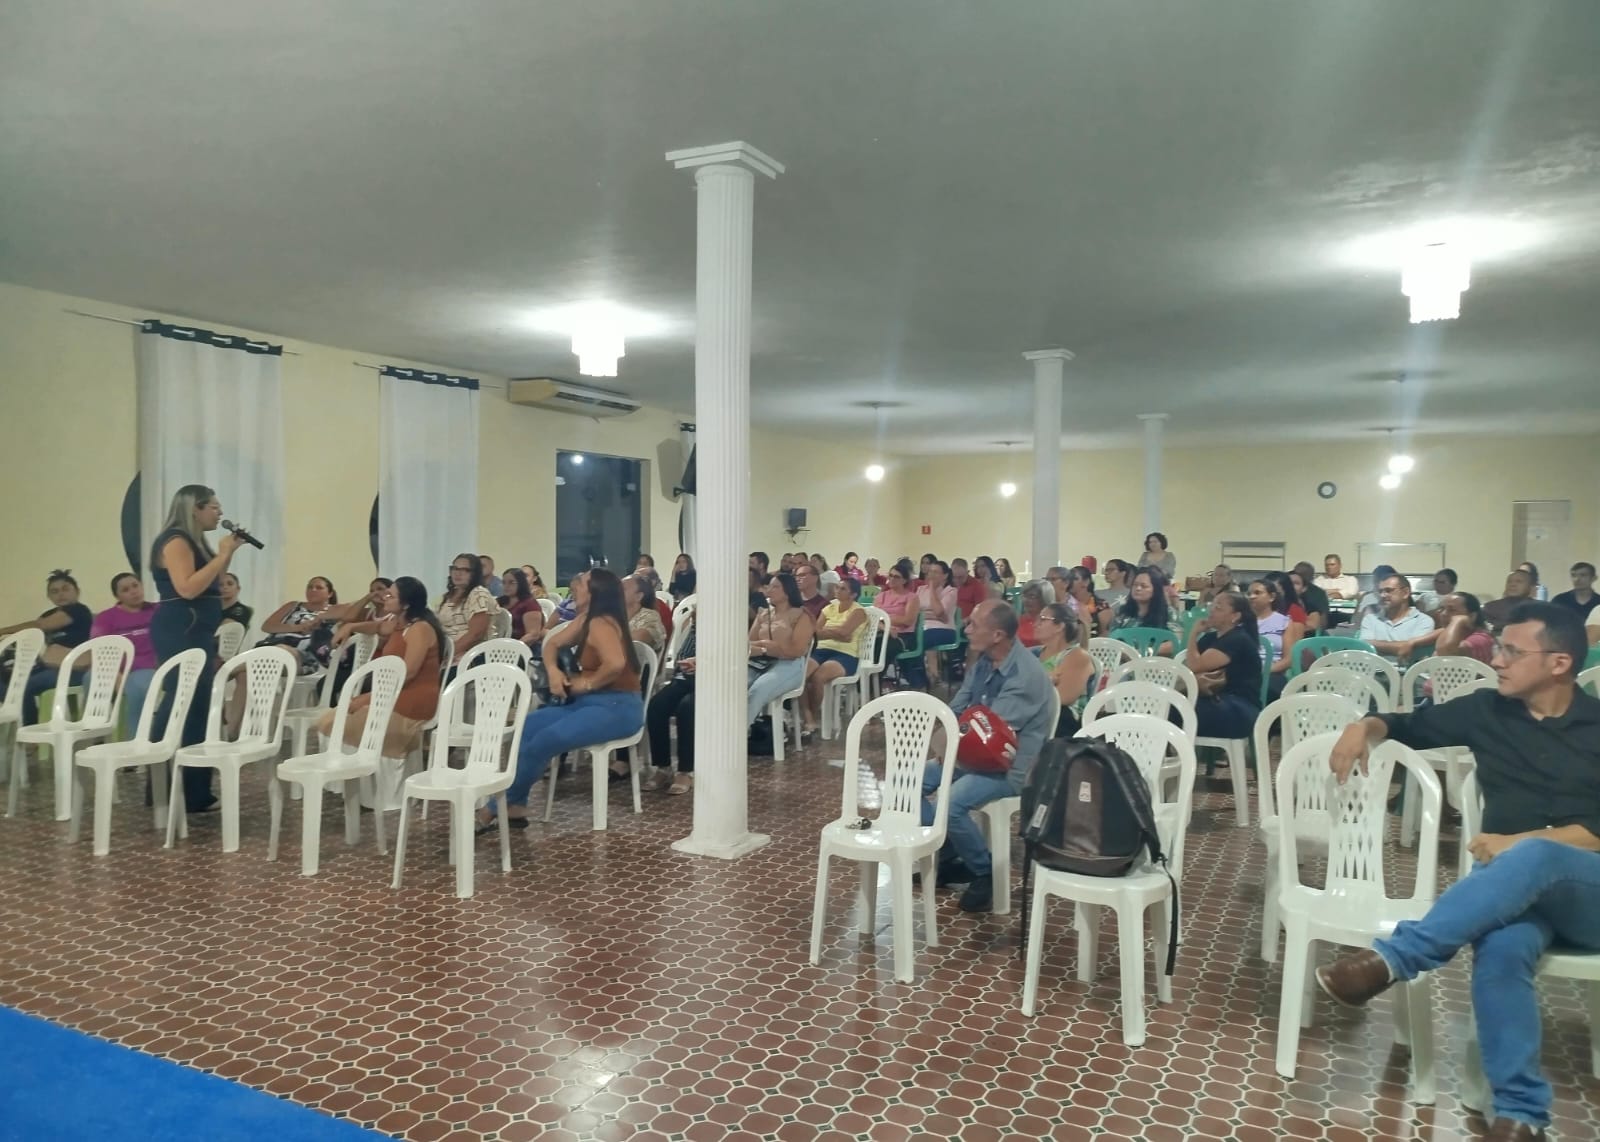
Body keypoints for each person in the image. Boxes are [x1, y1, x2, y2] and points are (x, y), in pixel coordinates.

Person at [1315, 604, 1597, 1141]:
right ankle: (1522, 1114)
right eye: (1499, 647)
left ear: (1559, 662)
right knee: (1501, 948)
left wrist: (1516, 843)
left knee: (1533, 855)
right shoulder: (1487, 711)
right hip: (1518, 896)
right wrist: (1361, 727)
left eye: (1512, 651)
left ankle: (1397, 958)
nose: (1497, 660)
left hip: (1591, 895)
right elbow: (1405, 723)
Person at [922, 600, 1054, 913]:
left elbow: (989, 734)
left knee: (950, 803)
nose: (966, 630)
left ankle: (984, 872)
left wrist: (950, 750)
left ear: (997, 635)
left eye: (974, 625)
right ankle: (951, 854)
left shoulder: (1024, 676)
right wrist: (944, 745)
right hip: (973, 755)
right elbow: (958, 708)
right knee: (908, 780)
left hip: (1011, 767)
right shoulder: (984, 662)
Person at [484, 568, 643, 828]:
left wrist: (588, 683)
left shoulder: (601, 623)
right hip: (589, 703)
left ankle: (494, 807)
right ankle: (516, 806)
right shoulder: (587, 618)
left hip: (617, 707)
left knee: (545, 740)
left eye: (582, 583)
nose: (575, 585)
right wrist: (554, 672)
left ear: (595, 592)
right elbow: (553, 644)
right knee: (528, 727)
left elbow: (615, 664)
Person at [147, 484, 244, 811]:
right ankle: (167, 787)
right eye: (213, 506)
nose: (219, 512)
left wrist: (228, 554)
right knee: (182, 701)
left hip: (196, 630)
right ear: (195, 509)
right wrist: (221, 555)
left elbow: (210, 584)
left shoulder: (194, 540)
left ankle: (193, 791)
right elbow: (187, 589)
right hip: (181, 629)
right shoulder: (176, 540)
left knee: (198, 705)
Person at [319, 577, 444, 758]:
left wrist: (371, 697)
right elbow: (378, 627)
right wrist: (351, 626)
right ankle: (353, 771)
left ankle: (366, 768)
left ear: (406, 605)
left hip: (412, 700)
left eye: (391, 596)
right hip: (393, 694)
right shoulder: (399, 623)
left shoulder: (419, 628)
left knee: (337, 723)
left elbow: (408, 673)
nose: (385, 597)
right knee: (333, 718)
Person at [0, 569, 96, 726]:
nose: (61, 594)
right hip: (50, 667)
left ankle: (30, 729)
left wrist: (3, 630)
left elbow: (40, 626)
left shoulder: (79, 610)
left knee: (21, 687)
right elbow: (32, 633)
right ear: (49, 596)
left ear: (77, 591)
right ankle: (22, 718)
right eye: (54, 591)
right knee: (7, 679)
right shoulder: (48, 614)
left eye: (65, 589)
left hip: (74, 670)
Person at [1182, 591, 1263, 739]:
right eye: (1212, 605)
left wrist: (1193, 633)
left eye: (1218, 608)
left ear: (1235, 616)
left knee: (1174, 709)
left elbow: (1195, 666)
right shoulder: (1210, 638)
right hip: (1215, 701)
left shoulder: (1237, 639)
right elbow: (1189, 665)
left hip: (1239, 708)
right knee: (1169, 705)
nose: (1211, 610)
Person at [801, 578, 871, 737]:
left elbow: (845, 632)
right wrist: (837, 633)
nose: (837, 590)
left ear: (853, 594)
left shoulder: (858, 611)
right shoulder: (828, 608)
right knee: (801, 675)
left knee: (818, 677)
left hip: (846, 654)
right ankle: (808, 717)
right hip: (821, 649)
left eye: (842, 589)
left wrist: (830, 631)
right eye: (837, 587)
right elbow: (815, 632)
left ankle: (814, 716)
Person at [89, 573, 159, 731]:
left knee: (136, 686)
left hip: (148, 668)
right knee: (90, 678)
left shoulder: (157, 610)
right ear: (117, 596)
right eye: (126, 590)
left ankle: (135, 738)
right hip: (114, 669)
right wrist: (116, 674)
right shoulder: (105, 618)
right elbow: (99, 650)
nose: (133, 592)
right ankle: (95, 733)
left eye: (135, 586)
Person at [746, 571, 814, 732]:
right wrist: (765, 647)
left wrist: (774, 649)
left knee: (757, 690)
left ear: (788, 591)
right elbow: (749, 643)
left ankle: (738, 734)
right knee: (734, 685)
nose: (769, 590)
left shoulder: (801, 616)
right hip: (761, 661)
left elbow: (797, 650)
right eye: (769, 587)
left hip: (789, 664)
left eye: (775, 587)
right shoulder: (763, 614)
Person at [645, 613, 697, 796]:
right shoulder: (694, 626)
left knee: (687, 708)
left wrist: (702, 662)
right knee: (656, 706)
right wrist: (687, 664)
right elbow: (682, 654)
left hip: (712, 681)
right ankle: (663, 767)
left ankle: (686, 771)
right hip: (685, 678)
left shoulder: (726, 627)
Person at [1035, 603, 1096, 737]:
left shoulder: (1077, 656)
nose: (1036, 624)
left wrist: (1038, 683)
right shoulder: (1034, 653)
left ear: (1059, 626)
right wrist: (1048, 681)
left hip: (1063, 724)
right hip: (1036, 713)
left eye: (1043, 619)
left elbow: (1063, 698)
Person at [258, 577, 341, 672]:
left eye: (319, 588)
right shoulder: (292, 605)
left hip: (303, 653)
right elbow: (267, 626)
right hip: (272, 645)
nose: (313, 590)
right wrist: (298, 627)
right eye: (310, 587)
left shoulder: (336, 611)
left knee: (278, 652)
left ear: (330, 594)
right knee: (247, 671)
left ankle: (245, 665)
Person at [1358, 574, 1437, 665]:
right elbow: (1365, 647)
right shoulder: (1370, 619)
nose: (1383, 595)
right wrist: (1403, 645)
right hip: (1374, 671)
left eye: (1388, 590)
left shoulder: (1424, 621)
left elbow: (1413, 650)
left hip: (1408, 672)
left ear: (1405, 593)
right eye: (1380, 591)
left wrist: (1375, 645)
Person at [905, 560, 958, 689]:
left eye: (935, 572)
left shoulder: (951, 591)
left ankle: (925, 679)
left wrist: (933, 590)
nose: (931, 575)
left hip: (944, 629)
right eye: (929, 572)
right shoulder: (921, 590)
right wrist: (931, 614)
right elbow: (914, 612)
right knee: (907, 643)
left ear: (945, 575)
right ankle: (922, 679)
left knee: (919, 641)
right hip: (921, 628)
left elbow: (939, 612)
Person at [1248, 578, 1302, 696]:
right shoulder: (1241, 622)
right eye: (1249, 594)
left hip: (1272, 672)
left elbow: (1288, 660)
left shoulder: (1284, 622)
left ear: (1271, 597)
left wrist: (1264, 670)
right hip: (1245, 671)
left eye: (1257, 593)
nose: (1251, 597)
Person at [439, 553, 499, 661]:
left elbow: (475, 635)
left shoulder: (479, 594)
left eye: (465, 570)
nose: (458, 573)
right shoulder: (450, 595)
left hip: (472, 655)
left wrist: (446, 656)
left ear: (474, 574)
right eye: (455, 568)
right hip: (448, 649)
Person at [1110, 569, 1183, 655]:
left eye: (1144, 586)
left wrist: (1147, 652)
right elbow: (1112, 638)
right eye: (1135, 585)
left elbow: (1176, 641)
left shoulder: (1169, 613)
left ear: (1155, 590)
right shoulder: (1122, 612)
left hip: (1157, 659)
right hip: (1125, 658)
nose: (1138, 588)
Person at [877, 560, 921, 679]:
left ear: (904, 580)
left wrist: (884, 618)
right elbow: (874, 618)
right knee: (869, 645)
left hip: (904, 635)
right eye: (890, 575)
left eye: (896, 577)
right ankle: (867, 682)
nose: (892, 579)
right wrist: (886, 628)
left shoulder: (912, 598)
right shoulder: (881, 596)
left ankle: (874, 682)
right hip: (883, 632)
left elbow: (907, 620)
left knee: (884, 648)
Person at [1435, 592, 1496, 663]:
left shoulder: (1480, 639)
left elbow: (1445, 652)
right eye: (1441, 608)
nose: (1443, 614)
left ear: (1472, 616)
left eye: (1452, 610)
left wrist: (1458, 620)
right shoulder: (1455, 633)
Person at [623, 574, 665, 656]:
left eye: (622, 589)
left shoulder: (650, 616)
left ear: (638, 596)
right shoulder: (613, 614)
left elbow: (639, 638)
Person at [499, 568, 545, 644]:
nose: (506, 586)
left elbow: (533, 635)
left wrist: (514, 646)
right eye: (504, 583)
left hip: (525, 646)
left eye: (511, 582)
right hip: (501, 644)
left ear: (521, 583)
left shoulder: (530, 604)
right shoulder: (499, 602)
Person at [1064, 567, 1109, 642]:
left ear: (1086, 582)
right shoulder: (1065, 602)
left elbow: (1104, 633)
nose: (1070, 582)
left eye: (1074, 578)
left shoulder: (1101, 606)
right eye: (1068, 578)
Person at [1290, 563, 1330, 633]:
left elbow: (1320, 623)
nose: (1291, 586)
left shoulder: (1316, 596)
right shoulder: (1279, 601)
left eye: (1296, 583)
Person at [1016, 582, 1048, 649]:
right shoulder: (1016, 620)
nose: (1026, 600)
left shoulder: (1049, 622)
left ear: (1044, 599)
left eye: (1032, 596)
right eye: (1024, 596)